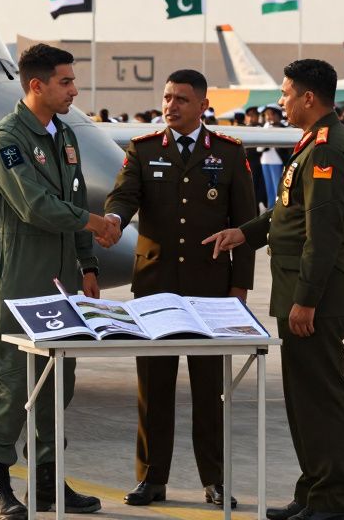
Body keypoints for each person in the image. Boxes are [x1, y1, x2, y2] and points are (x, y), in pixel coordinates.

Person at [204, 59, 344, 520]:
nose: (281, 102)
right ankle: (311, 492)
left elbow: (324, 233)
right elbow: (287, 214)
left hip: (316, 295)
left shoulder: (327, 149)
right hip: (299, 290)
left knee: (321, 401)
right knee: (302, 401)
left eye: (286, 93)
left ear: (309, 98)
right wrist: (245, 234)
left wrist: (306, 300)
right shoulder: (312, 143)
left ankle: (329, 502)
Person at [0, 43, 119, 518]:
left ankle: (47, 482)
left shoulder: (65, 138)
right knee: (11, 384)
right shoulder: (5, 142)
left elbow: (74, 194)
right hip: (19, 282)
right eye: (65, 82)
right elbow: (35, 206)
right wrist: (94, 224)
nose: (74, 90)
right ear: (36, 85)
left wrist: (90, 264)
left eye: (73, 81)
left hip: (63, 284)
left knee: (58, 381)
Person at [104, 69, 256, 509]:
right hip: (156, 288)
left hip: (210, 292)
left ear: (203, 106)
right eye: (167, 98)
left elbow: (243, 224)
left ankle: (215, 479)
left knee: (211, 389)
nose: (171, 106)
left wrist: (239, 286)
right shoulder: (144, 148)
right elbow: (123, 197)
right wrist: (114, 219)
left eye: (182, 100)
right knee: (153, 386)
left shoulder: (228, 154)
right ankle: (152, 479)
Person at [258, 107, 288, 208]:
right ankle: (270, 211)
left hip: (277, 161)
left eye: (271, 114)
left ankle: (278, 209)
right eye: (266, 115)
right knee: (268, 189)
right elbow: (259, 148)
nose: (268, 117)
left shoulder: (284, 128)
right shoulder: (266, 127)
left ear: (277, 116)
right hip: (265, 161)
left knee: (277, 189)